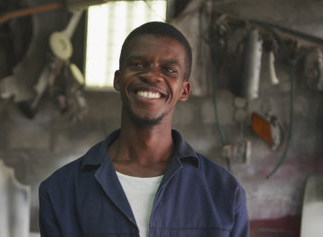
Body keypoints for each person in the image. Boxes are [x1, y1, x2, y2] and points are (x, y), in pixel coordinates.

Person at [39, 21, 249, 237]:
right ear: (118, 80)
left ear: (184, 91)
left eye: (168, 69)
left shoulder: (224, 193)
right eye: (138, 65)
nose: (151, 76)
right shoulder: (61, 191)